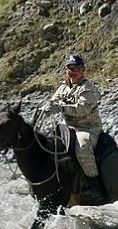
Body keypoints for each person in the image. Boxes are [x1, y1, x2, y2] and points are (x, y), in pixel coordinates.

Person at [42, 54, 106, 201]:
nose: (72, 71)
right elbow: (54, 101)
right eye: (69, 68)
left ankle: (95, 185)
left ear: (83, 70)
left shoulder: (88, 88)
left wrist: (61, 108)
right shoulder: (63, 87)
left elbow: (82, 110)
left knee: (82, 147)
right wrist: (47, 108)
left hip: (88, 128)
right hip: (68, 128)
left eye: (76, 68)